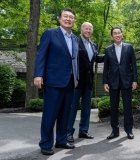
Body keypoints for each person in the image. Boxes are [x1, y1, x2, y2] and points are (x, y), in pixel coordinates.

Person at [33, 8, 78, 155]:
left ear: (74, 21)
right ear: (59, 18)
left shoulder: (75, 38)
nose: (68, 19)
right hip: (53, 81)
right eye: (65, 16)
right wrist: (38, 74)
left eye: (71, 17)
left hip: (70, 82)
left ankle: (61, 139)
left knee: (65, 114)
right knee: (50, 114)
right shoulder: (50, 34)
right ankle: (46, 143)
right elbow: (41, 55)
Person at [67, 22, 103, 143]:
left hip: (88, 82)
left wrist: (110, 54)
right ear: (82, 29)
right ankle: (68, 133)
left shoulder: (93, 45)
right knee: (72, 108)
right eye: (86, 28)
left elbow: (96, 58)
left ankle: (83, 131)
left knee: (86, 108)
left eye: (90, 29)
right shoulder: (75, 41)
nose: (88, 30)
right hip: (76, 80)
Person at [103, 26, 138, 140]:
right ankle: (115, 131)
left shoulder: (129, 47)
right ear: (112, 36)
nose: (117, 35)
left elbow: (134, 65)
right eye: (115, 33)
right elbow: (106, 67)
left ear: (122, 34)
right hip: (113, 82)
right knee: (114, 107)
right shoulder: (108, 49)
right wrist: (105, 82)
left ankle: (129, 130)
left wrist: (135, 80)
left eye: (119, 33)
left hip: (127, 81)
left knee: (128, 107)